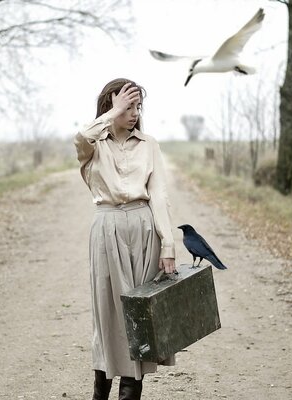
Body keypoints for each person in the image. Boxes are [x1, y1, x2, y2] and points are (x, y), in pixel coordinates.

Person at [74, 78, 177, 400]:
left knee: (141, 317)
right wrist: (112, 112)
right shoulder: (94, 143)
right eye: (127, 106)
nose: (133, 113)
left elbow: (158, 195)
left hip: (144, 229)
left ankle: (130, 394)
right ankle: (99, 394)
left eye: (137, 107)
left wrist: (169, 245)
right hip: (107, 228)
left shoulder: (149, 144)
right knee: (108, 315)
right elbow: (81, 137)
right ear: (110, 105)